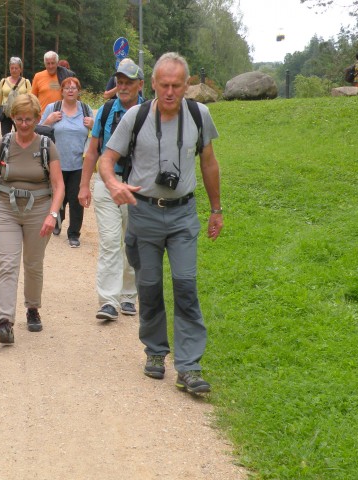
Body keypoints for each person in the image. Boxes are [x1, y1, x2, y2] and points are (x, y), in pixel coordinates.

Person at [97, 52, 223, 395]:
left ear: (186, 85)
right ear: (152, 85)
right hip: (145, 212)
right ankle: (155, 352)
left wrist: (216, 209)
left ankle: (189, 366)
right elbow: (106, 160)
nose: (170, 92)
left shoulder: (199, 114)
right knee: (149, 287)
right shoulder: (135, 117)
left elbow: (209, 163)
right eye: (164, 85)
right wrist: (113, 183)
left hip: (182, 214)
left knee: (186, 285)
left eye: (177, 85)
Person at [0, 94, 65, 344]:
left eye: (29, 119)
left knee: (33, 263)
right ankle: (4, 322)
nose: (24, 125)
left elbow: (58, 185)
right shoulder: (3, 144)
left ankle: (32, 308)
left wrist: (53, 214)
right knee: (8, 264)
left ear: (37, 118)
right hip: (6, 209)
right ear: (12, 118)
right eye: (19, 119)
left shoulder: (47, 145)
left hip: (40, 210)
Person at [78, 60, 145, 322]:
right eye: (120, 82)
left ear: (140, 85)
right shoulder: (106, 111)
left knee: (132, 242)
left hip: (136, 187)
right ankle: (108, 300)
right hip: (107, 184)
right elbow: (93, 149)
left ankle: (129, 295)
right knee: (108, 242)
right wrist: (85, 185)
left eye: (129, 82)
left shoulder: (150, 113)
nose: (123, 87)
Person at [39, 77, 94, 247]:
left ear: (78, 91)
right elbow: (38, 131)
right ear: (61, 91)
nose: (70, 90)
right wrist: (49, 121)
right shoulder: (52, 108)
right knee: (58, 197)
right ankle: (57, 220)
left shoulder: (85, 110)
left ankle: (74, 234)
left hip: (79, 163)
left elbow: (97, 135)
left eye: (74, 88)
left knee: (76, 199)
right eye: (67, 88)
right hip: (56, 163)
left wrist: (93, 125)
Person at [0, 57, 32, 136]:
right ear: (9, 69)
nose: (14, 70)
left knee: (21, 135)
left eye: (16, 68)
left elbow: (31, 99)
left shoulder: (26, 82)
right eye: (12, 68)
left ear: (20, 69)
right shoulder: (3, 81)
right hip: (6, 114)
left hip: (21, 114)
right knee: (5, 137)